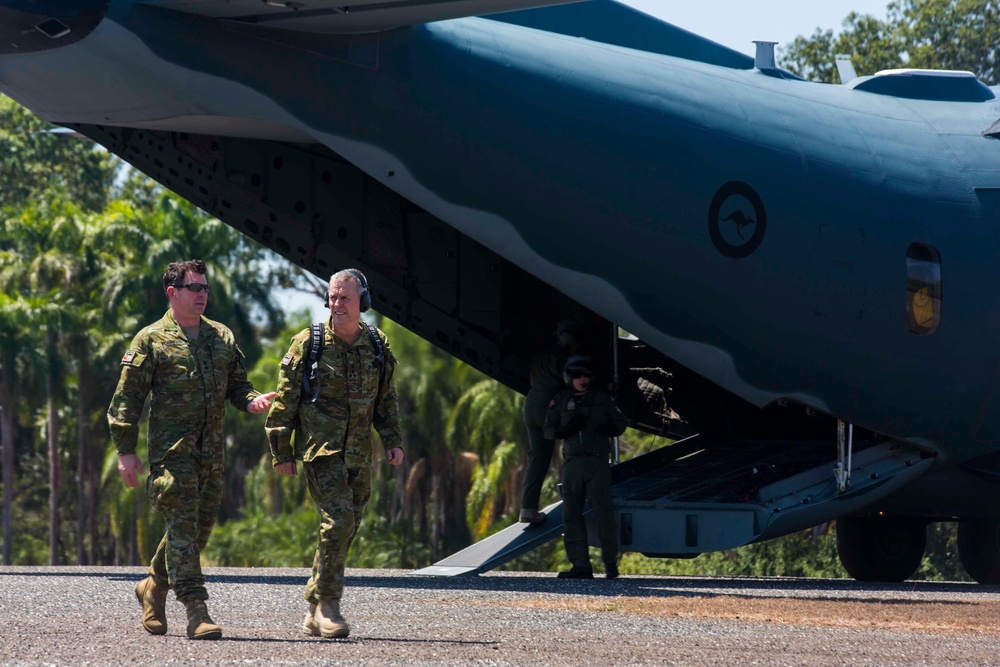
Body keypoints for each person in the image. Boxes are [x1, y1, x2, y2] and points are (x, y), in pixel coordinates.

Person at [107, 259, 275, 640]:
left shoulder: (221, 337)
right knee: (183, 527)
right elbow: (126, 400)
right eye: (194, 288)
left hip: (211, 456)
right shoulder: (151, 339)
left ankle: (153, 586)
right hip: (172, 456)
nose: (202, 295)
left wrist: (250, 401)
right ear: (173, 293)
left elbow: (237, 385)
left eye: (205, 288)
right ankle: (197, 611)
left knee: (194, 533)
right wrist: (125, 451)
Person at [265, 268, 403, 639]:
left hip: (360, 454)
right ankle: (329, 605)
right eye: (332, 296)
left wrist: (393, 440)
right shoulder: (307, 344)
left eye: (345, 298)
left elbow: (385, 399)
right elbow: (285, 401)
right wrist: (282, 452)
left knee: (345, 529)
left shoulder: (376, 344)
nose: (336, 304)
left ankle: (313, 608)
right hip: (320, 451)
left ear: (363, 302)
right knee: (339, 521)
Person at [544, 354, 626, 579]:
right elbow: (548, 429)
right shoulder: (560, 401)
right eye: (577, 375)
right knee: (571, 514)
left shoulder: (602, 400)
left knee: (603, 513)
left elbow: (621, 423)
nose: (582, 379)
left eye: (586, 375)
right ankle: (580, 565)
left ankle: (611, 565)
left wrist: (609, 429)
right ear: (568, 377)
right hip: (573, 463)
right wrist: (564, 431)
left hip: (597, 462)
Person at [519, 318, 582, 524]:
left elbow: (532, 380)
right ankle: (578, 495)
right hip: (550, 406)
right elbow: (571, 384)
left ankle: (527, 509)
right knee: (575, 447)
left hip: (531, 406)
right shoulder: (564, 357)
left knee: (538, 458)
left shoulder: (539, 356)